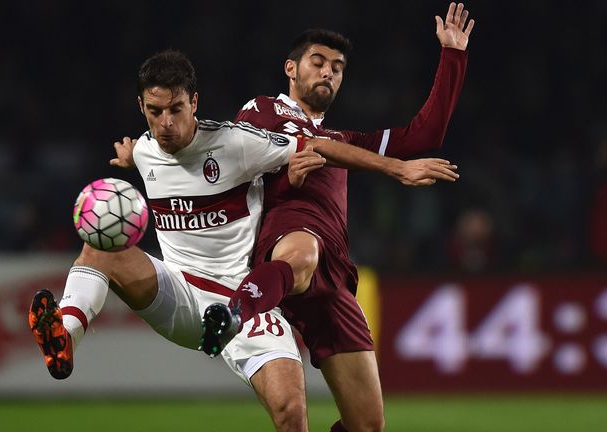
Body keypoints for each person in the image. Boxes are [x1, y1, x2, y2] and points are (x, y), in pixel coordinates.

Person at [29, 50, 458, 432]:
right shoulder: (145, 148)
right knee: (100, 247)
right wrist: (128, 156)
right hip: (176, 293)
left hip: (242, 303)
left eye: (176, 109)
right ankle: (65, 339)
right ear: (141, 107)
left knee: (292, 413)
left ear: (194, 102)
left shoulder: (236, 142)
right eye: (155, 111)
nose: (166, 123)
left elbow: (321, 145)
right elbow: (143, 149)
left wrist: (397, 170)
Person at [200, 3, 474, 431]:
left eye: (338, 67)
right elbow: (308, 148)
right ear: (291, 68)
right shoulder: (264, 110)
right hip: (285, 240)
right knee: (303, 253)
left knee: (367, 424)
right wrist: (397, 169)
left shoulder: (342, 139)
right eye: (318, 62)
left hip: (334, 275)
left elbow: (424, 135)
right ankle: (235, 312)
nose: (328, 72)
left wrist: (453, 56)